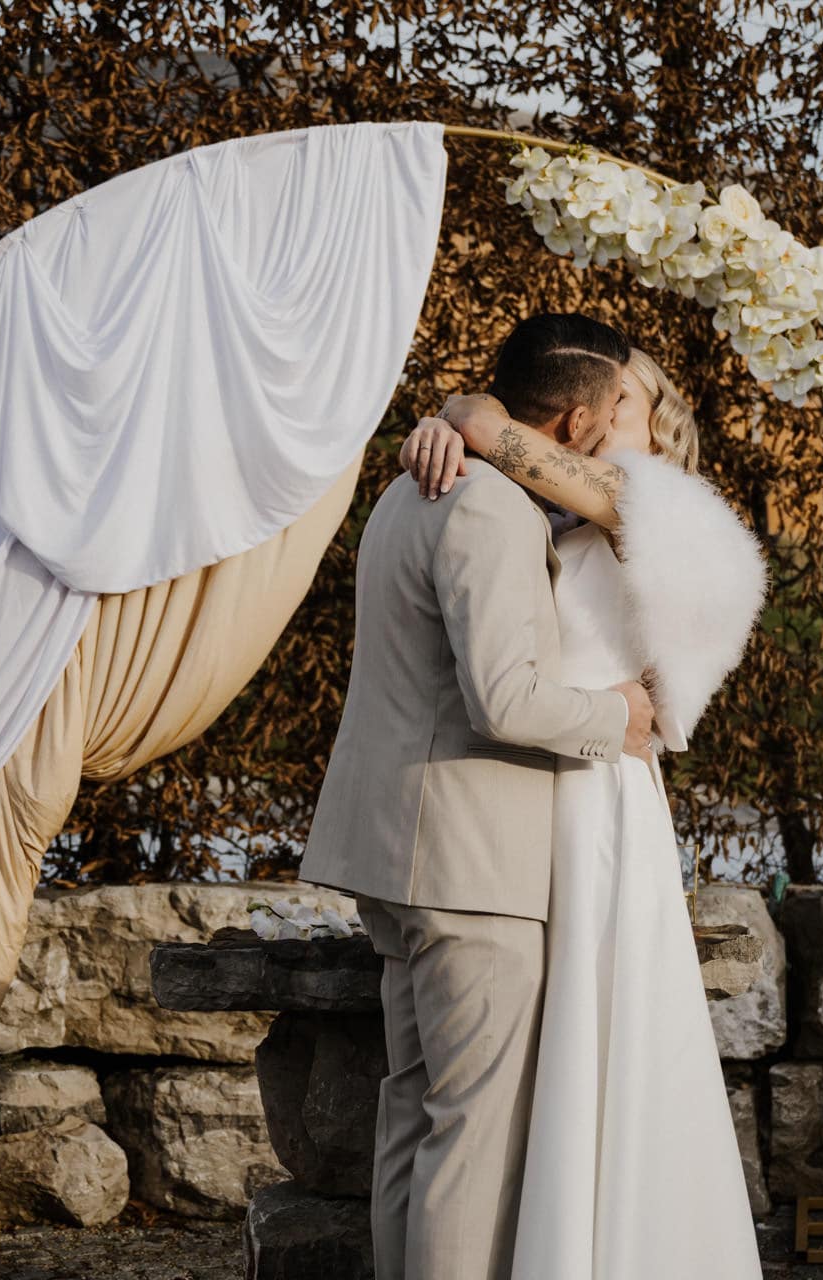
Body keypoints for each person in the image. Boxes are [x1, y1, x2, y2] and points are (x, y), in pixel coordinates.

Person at [397, 344, 768, 1279]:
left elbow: (495, 427)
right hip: (509, 805)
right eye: (597, 399)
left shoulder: (665, 512)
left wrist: (464, 414)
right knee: (494, 1100)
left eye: (627, 400)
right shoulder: (535, 515)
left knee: (593, 1058)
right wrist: (451, 422)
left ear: (657, 421)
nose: (604, 417)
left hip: (598, 805)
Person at [300, 313, 658, 1280]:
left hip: (399, 851)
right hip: (468, 862)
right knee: (472, 1135)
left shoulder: (404, 495)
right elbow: (504, 699)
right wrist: (615, 714)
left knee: (413, 1114)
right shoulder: (491, 506)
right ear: (578, 425)